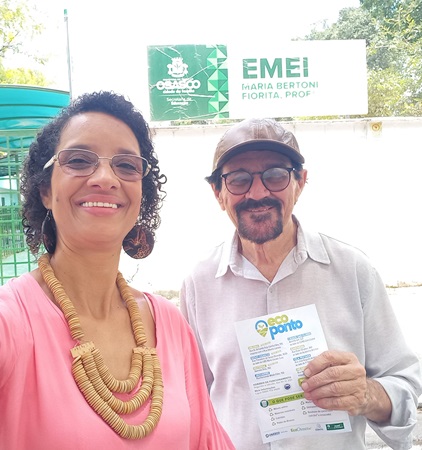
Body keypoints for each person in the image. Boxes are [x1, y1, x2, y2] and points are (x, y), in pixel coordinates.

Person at [0, 91, 234, 450]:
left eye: (126, 166)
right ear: (45, 189)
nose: (105, 178)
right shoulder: (10, 322)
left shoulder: (168, 324)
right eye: (80, 160)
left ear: (141, 194)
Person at [180, 118, 422, 450]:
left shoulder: (353, 270)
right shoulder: (199, 284)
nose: (258, 193)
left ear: (300, 182)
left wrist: (367, 394)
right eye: (238, 180)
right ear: (218, 194)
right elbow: (190, 400)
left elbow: (405, 384)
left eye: (275, 175)